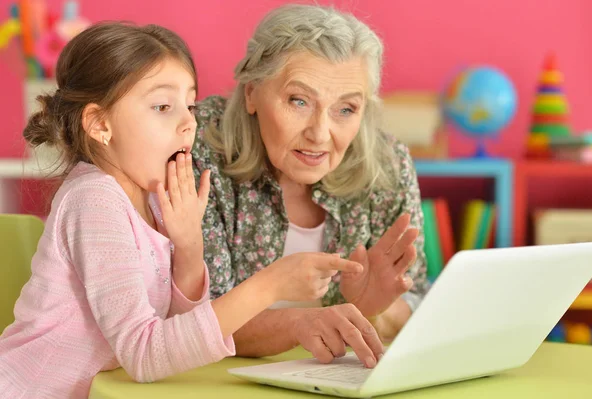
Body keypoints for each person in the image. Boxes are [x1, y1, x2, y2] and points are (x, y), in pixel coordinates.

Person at [0, 22, 363, 399]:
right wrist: (270, 285)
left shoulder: (154, 199)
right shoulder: (95, 200)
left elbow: (180, 333)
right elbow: (145, 352)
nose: (189, 121)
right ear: (100, 123)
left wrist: (189, 247)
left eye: (190, 105)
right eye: (162, 106)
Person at [192, 4, 430, 370]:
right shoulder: (198, 147)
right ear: (252, 92)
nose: (320, 134)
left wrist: (371, 310)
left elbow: (412, 299)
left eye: (346, 109)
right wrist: (308, 322)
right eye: (298, 101)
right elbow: (194, 320)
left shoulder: (387, 164)